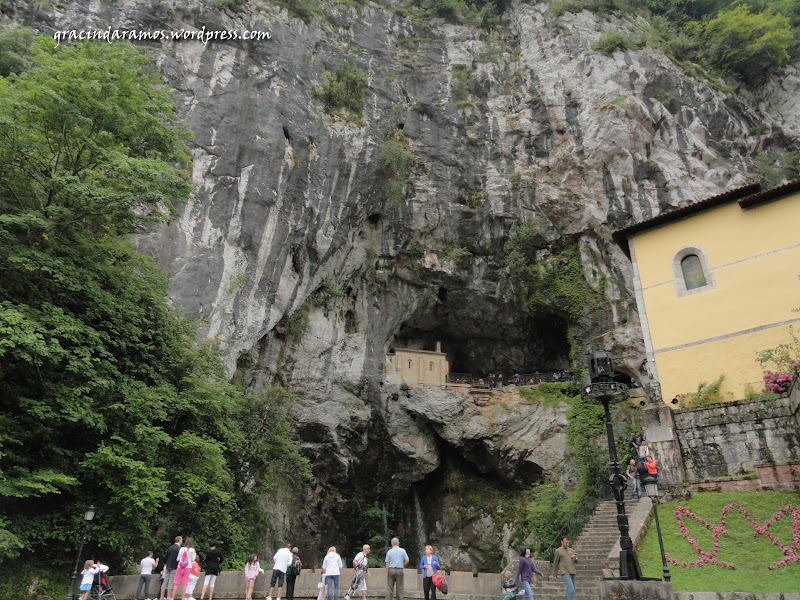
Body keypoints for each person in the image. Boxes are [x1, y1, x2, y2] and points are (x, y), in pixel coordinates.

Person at [160, 536, 183, 600]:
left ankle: (161, 597)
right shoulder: (179, 548)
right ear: (179, 540)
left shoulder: (170, 547)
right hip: (174, 566)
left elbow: (166, 557)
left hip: (168, 566)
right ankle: (168, 597)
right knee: (171, 582)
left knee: (165, 581)